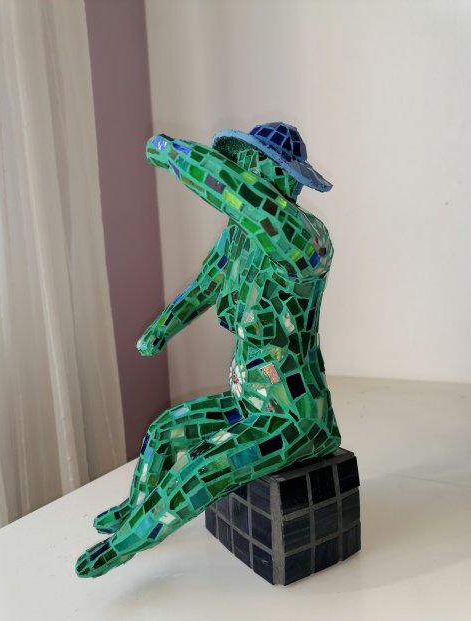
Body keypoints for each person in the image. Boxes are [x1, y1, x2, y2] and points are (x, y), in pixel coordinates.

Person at [75, 122, 341, 578]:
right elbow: (206, 284)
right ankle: (134, 508)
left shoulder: (305, 239)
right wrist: (163, 327)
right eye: (241, 160)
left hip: (291, 416)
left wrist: (173, 153)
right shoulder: (239, 236)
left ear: (283, 174)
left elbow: (243, 197)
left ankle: (128, 542)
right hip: (248, 398)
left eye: (252, 161)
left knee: (200, 468)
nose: (243, 167)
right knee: (164, 431)